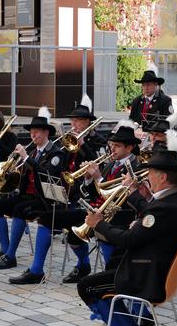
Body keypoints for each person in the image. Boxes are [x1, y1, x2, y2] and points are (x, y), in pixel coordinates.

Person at [77, 139, 177, 326]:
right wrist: (133, 196)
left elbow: (129, 240)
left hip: (148, 276)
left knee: (87, 286)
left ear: (162, 177)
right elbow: (151, 214)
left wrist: (98, 224)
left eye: (150, 173)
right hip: (159, 269)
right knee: (103, 277)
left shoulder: (164, 208)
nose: (147, 177)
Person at [8, 95, 106, 285]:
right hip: (68, 193)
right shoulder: (68, 141)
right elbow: (60, 163)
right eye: (72, 120)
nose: (73, 124)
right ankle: (80, 265)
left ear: (87, 122)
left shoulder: (98, 141)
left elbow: (99, 163)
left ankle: (40, 270)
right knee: (51, 219)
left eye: (77, 121)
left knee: (49, 221)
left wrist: (83, 144)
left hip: (89, 197)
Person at [0, 107, 66, 270]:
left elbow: (46, 174)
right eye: (31, 132)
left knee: (20, 209)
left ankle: (10, 256)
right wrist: (12, 166)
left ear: (46, 133)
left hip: (44, 199)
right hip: (27, 195)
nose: (33, 135)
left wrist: (26, 158)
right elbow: (22, 175)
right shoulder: (32, 151)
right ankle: (5, 249)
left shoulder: (56, 154)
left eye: (36, 132)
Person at [83, 121, 141, 265]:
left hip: (121, 215)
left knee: (104, 234)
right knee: (71, 231)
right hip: (102, 211)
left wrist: (98, 177)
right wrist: (89, 179)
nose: (112, 149)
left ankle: (112, 270)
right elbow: (95, 194)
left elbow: (119, 197)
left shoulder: (135, 167)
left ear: (130, 147)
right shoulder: (110, 164)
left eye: (117, 146)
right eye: (111, 144)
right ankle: (82, 266)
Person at [129, 64, 173, 131]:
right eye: (143, 85)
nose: (145, 88)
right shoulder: (136, 101)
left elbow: (168, 122)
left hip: (157, 135)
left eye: (148, 85)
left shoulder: (165, 100)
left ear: (156, 85)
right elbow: (131, 120)